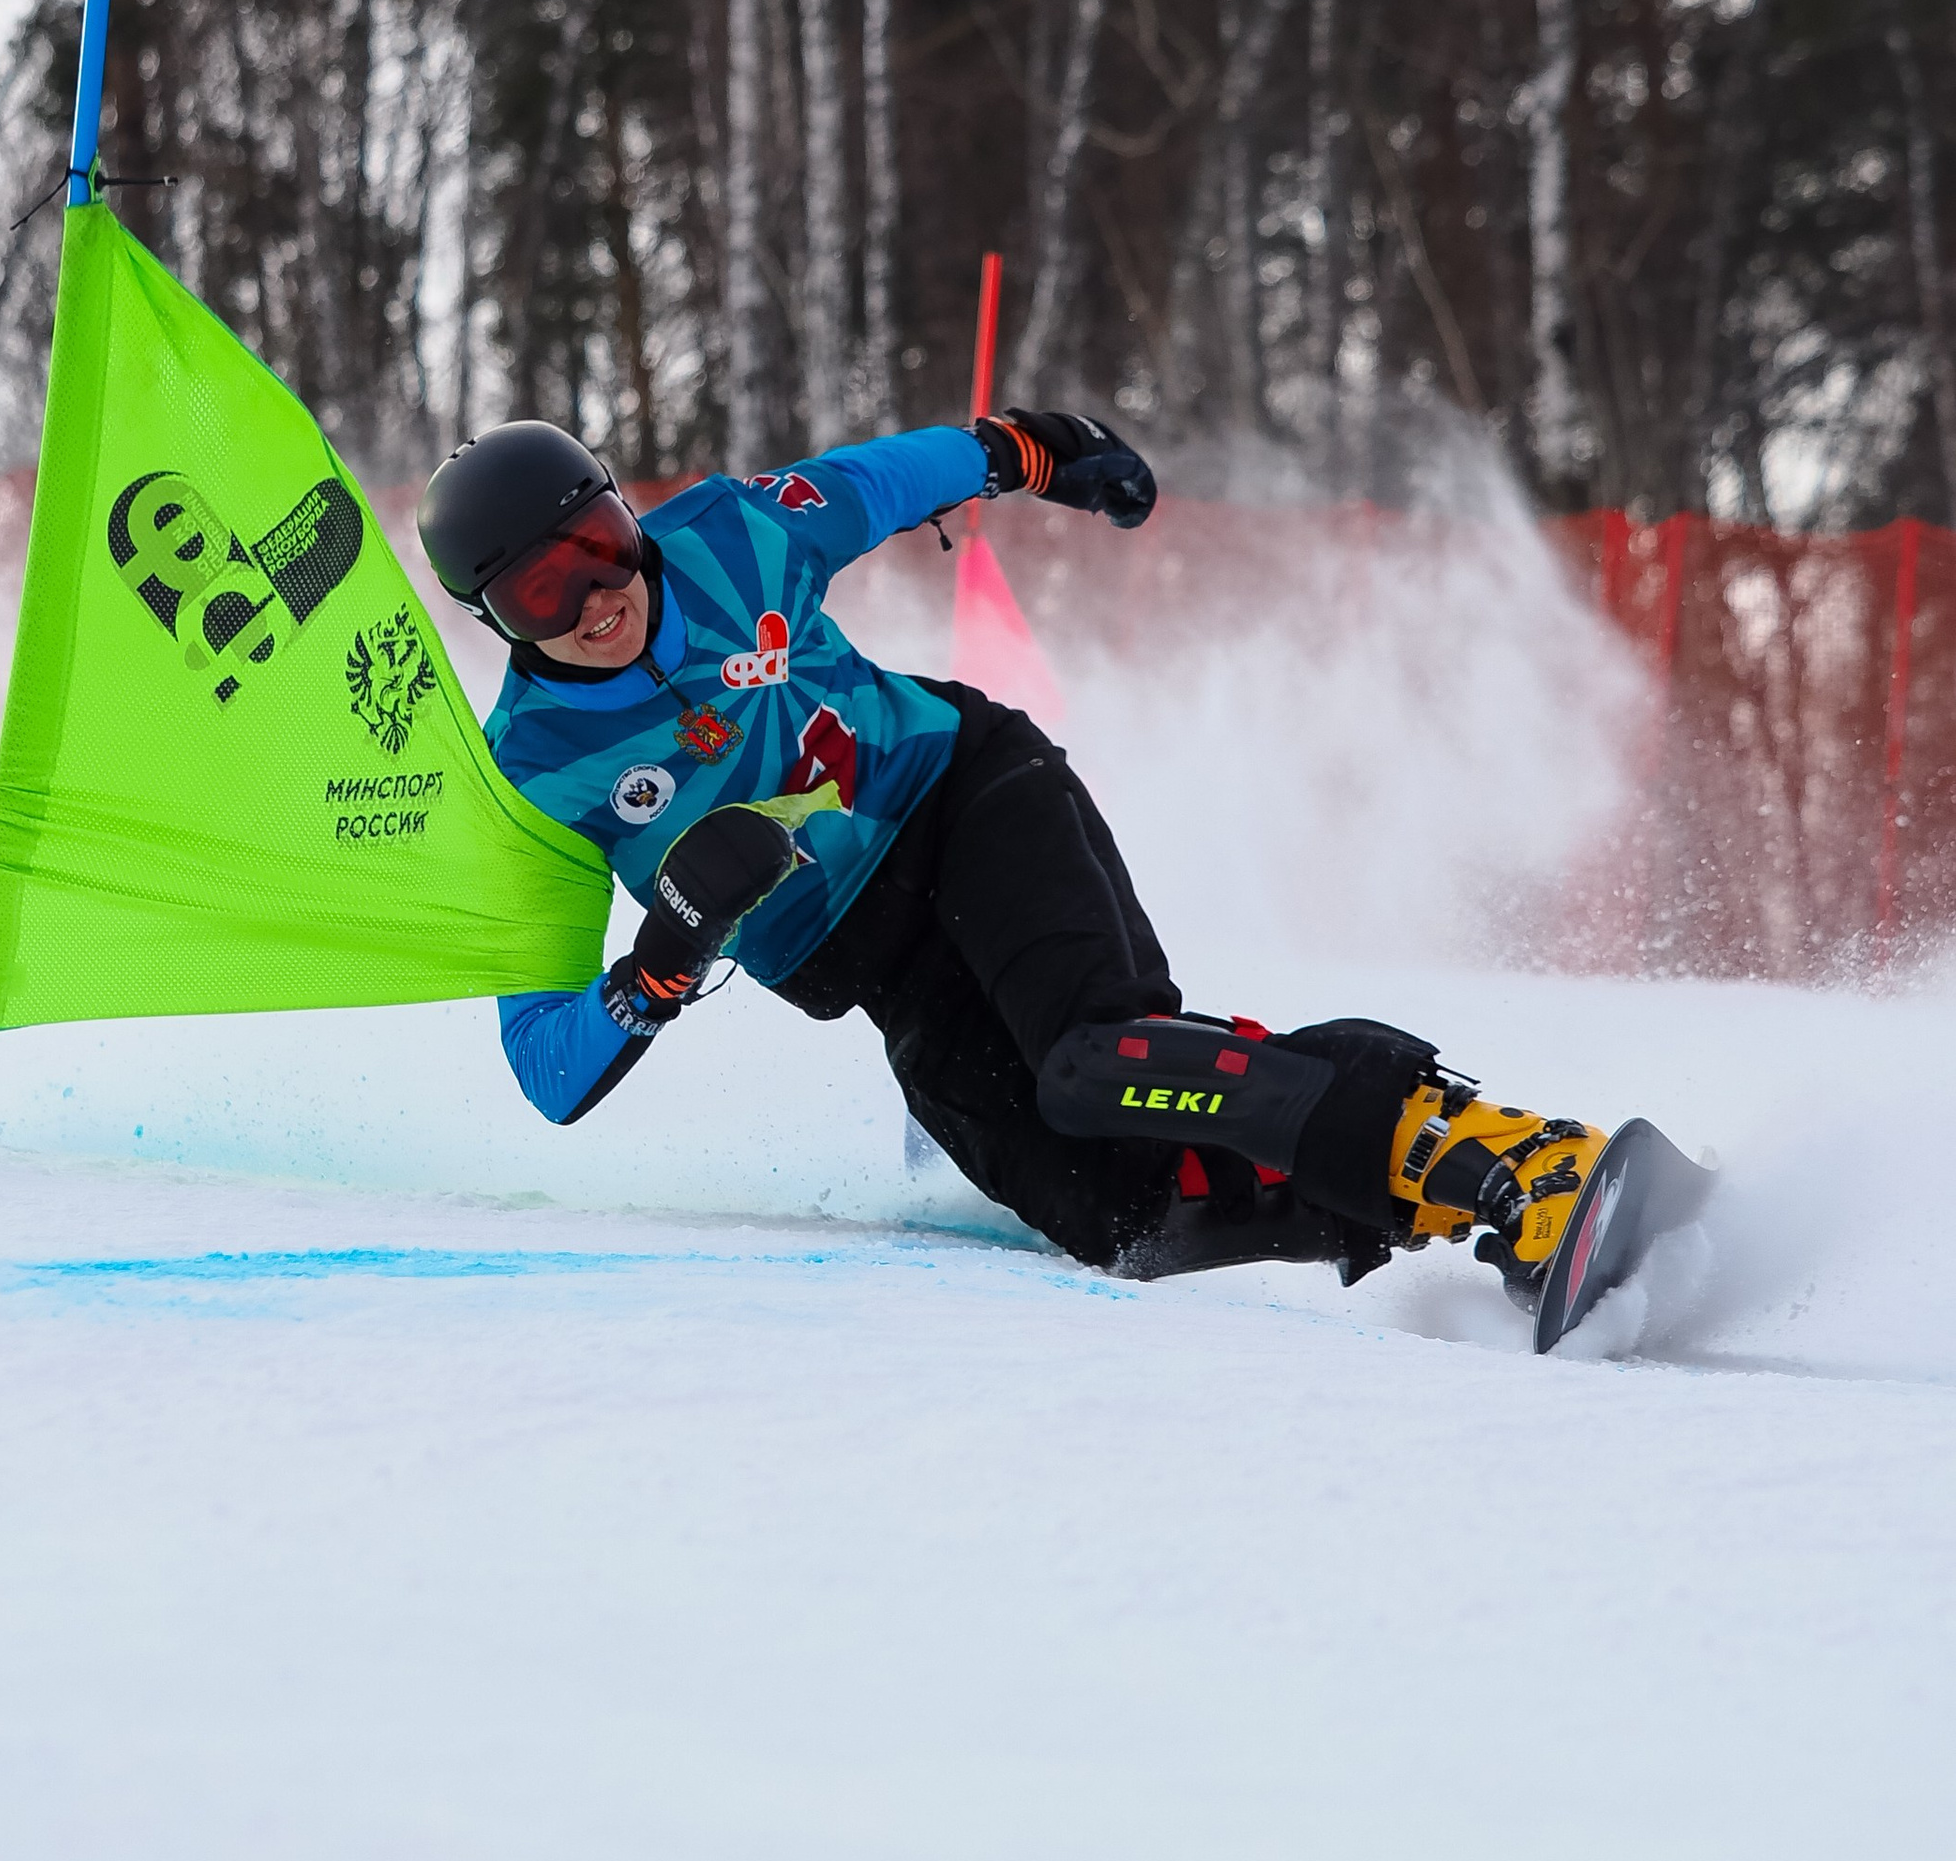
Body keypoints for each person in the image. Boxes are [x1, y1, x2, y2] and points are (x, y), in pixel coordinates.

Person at [416, 411, 1609, 1301]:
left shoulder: (733, 536)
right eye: (541, 589)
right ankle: (1436, 1191)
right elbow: (546, 1069)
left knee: (1095, 1064)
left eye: (599, 542)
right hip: (884, 968)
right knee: (1115, 1218)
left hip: (969, 798)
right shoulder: (528, 777)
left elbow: (888, 479)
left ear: (627, 512)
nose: (595, 595)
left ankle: (1508, 1159)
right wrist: (662, 963)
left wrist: (1039, 450)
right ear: (495, 621)